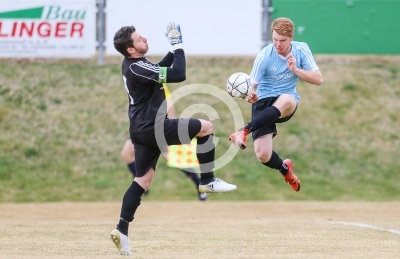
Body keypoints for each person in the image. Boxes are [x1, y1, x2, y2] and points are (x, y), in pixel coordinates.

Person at [110, 23, 237, 256]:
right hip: (153, 127)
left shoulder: (138, 65)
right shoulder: (137, 66)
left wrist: (171, 49)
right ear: (130, 49)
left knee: (143, 180)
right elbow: (179, 74)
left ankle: (121, 230)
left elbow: (158, 69)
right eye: (139, 39)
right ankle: (207, 180)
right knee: (205, 127)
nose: (144, 39)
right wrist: (178, 46)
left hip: (142, 129)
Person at [229, 17, 323, 192]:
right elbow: (252, 88)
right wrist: (251, 96)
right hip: (263, 102)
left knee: (287, 99)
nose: (278, 44)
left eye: (282, 41)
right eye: (275, 40)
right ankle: (285, 169)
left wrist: (295, 70)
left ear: (291, 38)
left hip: (286, 102)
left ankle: (243, 131)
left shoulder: (301, 50)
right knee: (263, 155)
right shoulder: (264, 56)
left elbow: (318, 79)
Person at [120, 83, 208, 201]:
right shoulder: (134, 78)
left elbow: (169, 102)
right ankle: (142, 187)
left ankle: (200, 186)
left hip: (160, 127)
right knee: (126, 153)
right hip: (143, 127)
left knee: (174, 159)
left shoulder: (151, 76)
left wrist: (168, 129)